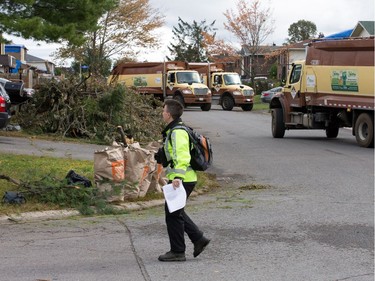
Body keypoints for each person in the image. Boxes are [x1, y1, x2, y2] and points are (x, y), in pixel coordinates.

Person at [156, 99, 210, 262]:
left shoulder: (177, 132)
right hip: (183, 178)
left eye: (164, 110)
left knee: (173, 214)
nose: (162, 112)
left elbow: (183, 155)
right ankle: (198, 239)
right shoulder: (174, 130)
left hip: (183, 179)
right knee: (175, 211)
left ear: (169, 114)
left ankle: (178, 251)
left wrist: (178, 177)